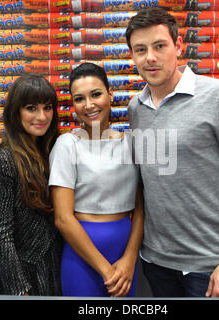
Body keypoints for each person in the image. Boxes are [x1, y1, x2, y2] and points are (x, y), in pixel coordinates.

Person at [125, 7, 219, 297]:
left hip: (210, 266)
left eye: (159, 46)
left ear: (178, 47)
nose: (150, 57)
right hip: (155, 262)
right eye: (140, 49)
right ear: (132, 56)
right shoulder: (135, 109)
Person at [49, 62, 144, 297]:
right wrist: (106, 271)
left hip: (125, 256)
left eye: (96, 94)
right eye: (79, 99)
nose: (89, 105)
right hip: (81, 259)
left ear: (110, 95)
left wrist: (130, 259)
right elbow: (62, 218)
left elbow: (142, 209)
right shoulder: (67, 145)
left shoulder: (131, 144)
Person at [0, 73, 63, 296]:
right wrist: (21, 290)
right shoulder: (2, 159)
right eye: (31, 108)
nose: (42, 116)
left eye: (47, 107)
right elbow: (1, 234)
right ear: (16, 112)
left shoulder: (53, 150)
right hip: (21, 273)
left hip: (54, 267)